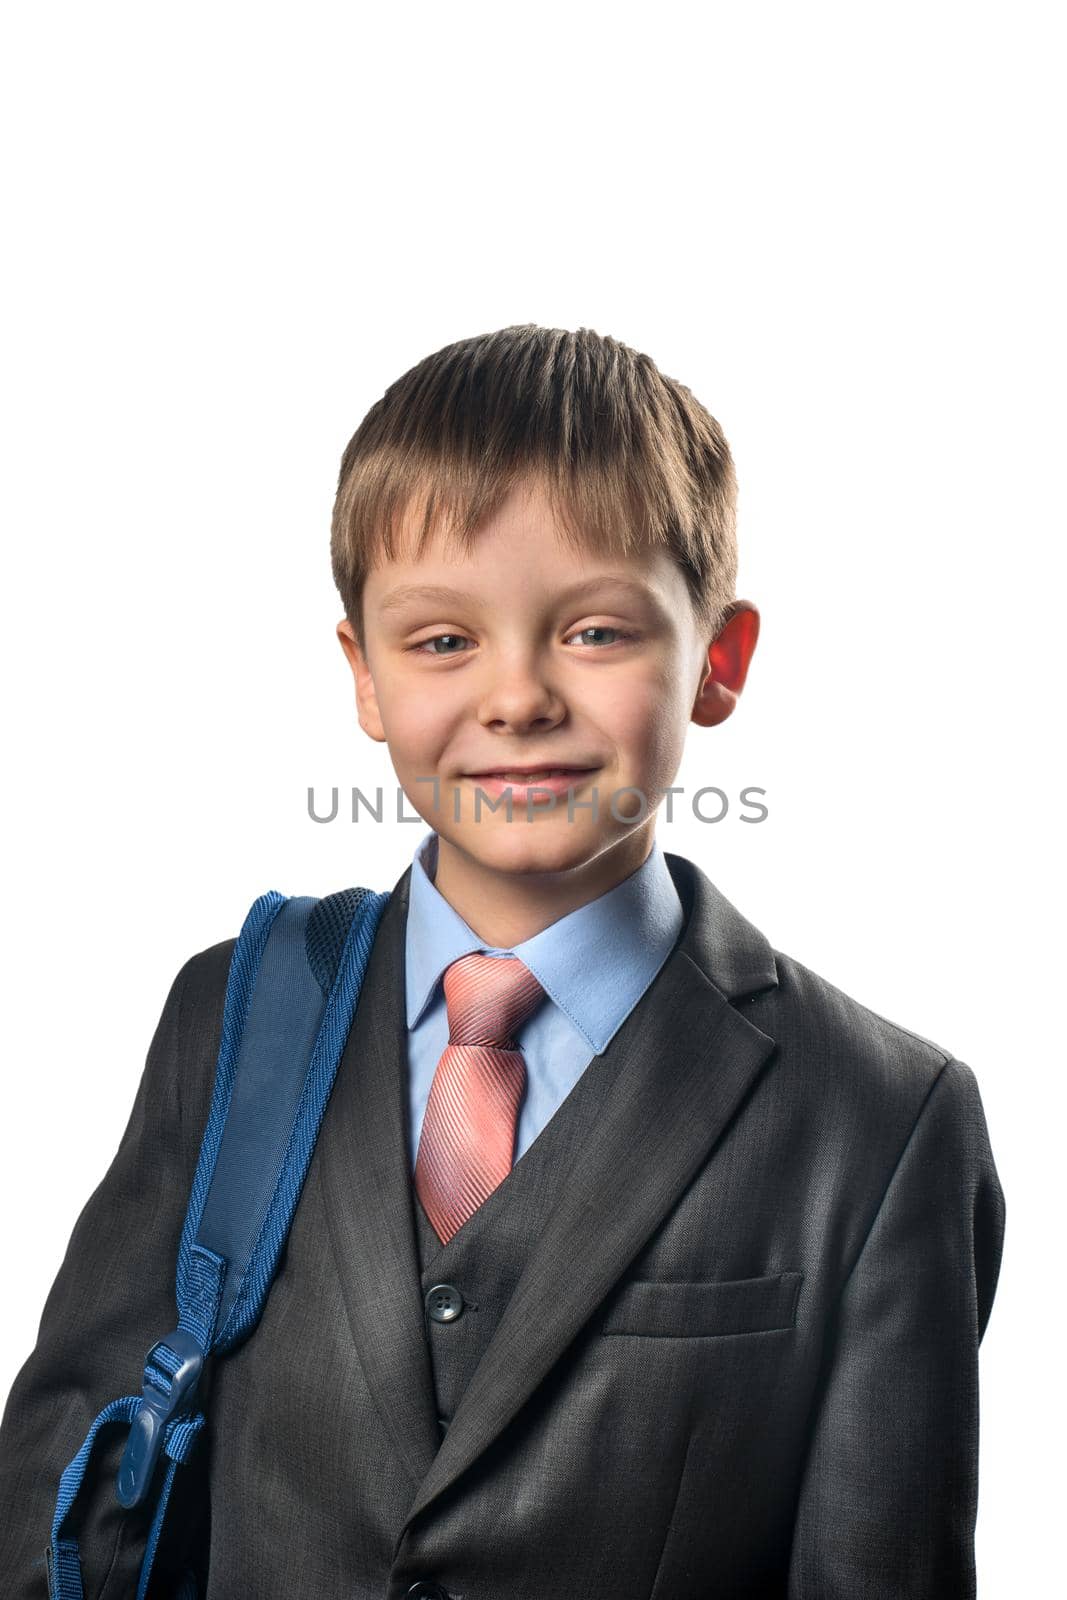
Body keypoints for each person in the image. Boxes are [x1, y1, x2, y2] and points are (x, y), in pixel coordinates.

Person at [0, 324, 1006, 1598]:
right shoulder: (239, 1011)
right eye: (440, 642)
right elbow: (59, 1500)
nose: (517, 695)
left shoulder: (878, 1115)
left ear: (718, 660)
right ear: (362, 675)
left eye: (593, 633)